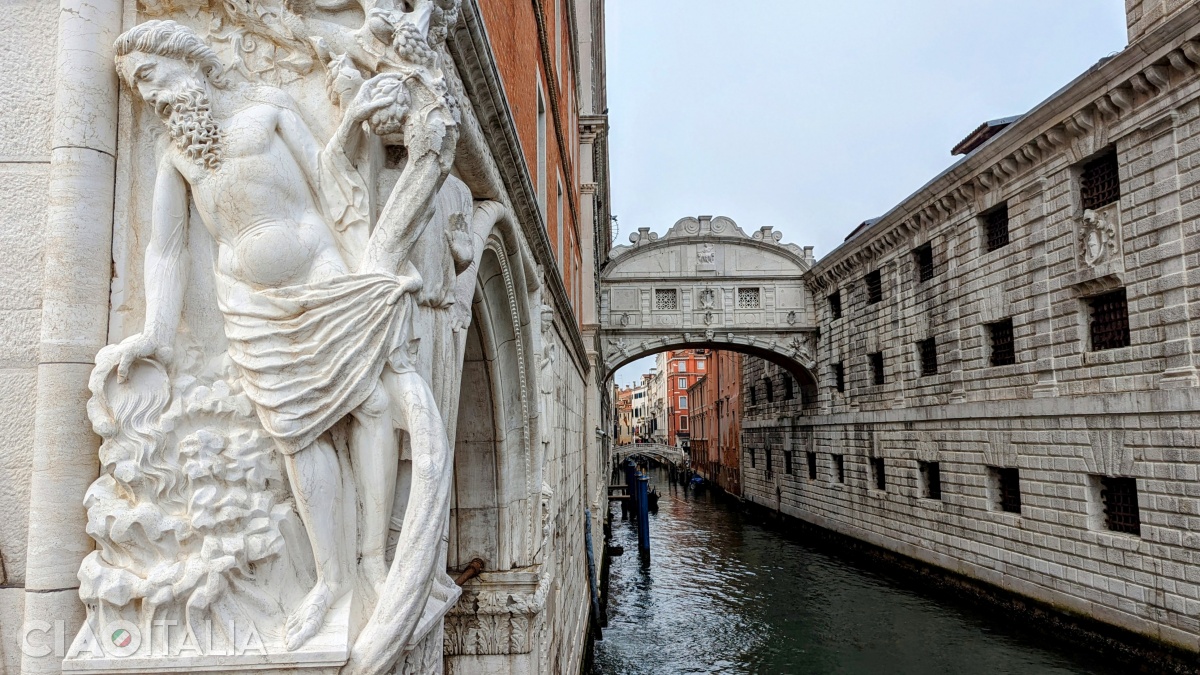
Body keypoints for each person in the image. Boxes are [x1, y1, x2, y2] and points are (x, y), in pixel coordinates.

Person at [108, 20, 451, 651]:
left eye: (152, 78)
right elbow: (166, 248)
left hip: (320, 276)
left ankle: (374, 560)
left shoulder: (268, 109)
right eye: (138, 89)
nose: (150, 97)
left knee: (370, 403)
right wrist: (154, 333)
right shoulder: (176, 154)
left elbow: (327, 174)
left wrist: (350, 123)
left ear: (191, 63)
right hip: (251, 307)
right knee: (297, 435)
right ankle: (328, 581)